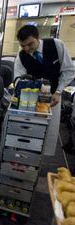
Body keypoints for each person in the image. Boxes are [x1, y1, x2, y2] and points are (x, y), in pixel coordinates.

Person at [14, 25, 75, 156]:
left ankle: (43, 160)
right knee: (29, 130)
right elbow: (17, 78)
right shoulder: (20, 56)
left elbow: (69, 70)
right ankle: (27, 157)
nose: (26, 49)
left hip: (53, 97)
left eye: (30, 44)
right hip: (30, 100)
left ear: (38, 37)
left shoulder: (56, 45)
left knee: (49, 131)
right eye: (22, 45)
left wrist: (58, 92)